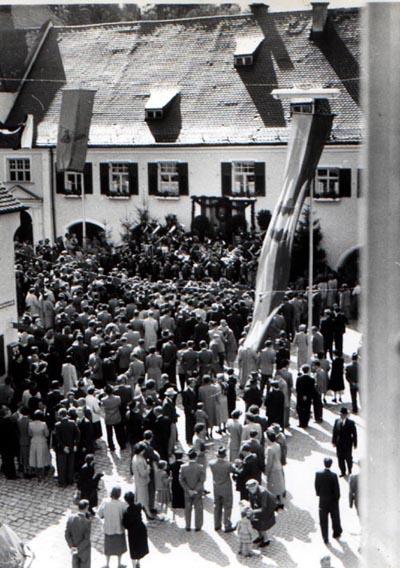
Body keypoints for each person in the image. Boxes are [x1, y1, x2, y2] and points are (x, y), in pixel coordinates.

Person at [97, 486, 128, 568]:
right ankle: (119, 564)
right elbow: (127, 514)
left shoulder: (105, 502)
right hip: (119, 529)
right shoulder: (122, 504)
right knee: (119, 548)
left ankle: (107, 564)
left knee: (108, 548)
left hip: (108, 529)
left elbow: (99, 514)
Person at [315, 457, 342, 544]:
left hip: (323, 501)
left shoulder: (318, 474)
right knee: (335, 518)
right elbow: (337, 490)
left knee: (323, 520)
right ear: (331, 464)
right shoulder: (334, 475)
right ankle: (336, 533)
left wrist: (319, 494)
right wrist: (336, 499)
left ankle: (325, 538)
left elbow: (316, 486)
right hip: (332, 501)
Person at [209, 446, 236, 533]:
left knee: (217, 506)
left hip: (216, 487)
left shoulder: (211, 463)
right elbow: (235, 470)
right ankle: (227, 525)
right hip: (226, 488)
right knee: (227, 507)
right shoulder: (228, 465)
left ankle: (217, 525)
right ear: (225, 455)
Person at [179, 448, 205, 531]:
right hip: (197, 492)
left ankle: (188, 526)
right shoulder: (200, 467)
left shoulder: (183, 467)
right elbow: (202, 480)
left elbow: (181, 480)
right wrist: (195, 490)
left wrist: (188, 490)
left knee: (187, 509)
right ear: (196, 457)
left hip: (187, 492)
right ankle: (198, 526)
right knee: (198, 509)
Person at [53, 407, 80, 487]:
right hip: (71, 447)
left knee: (62, 466)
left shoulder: (57, 425)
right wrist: (75, 444)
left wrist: (64, 446)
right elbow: (78, 434)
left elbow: (57, 438)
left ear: (60, 415)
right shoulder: (72, 423)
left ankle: (62, 482)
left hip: (61, 449)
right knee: (70, 464)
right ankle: (70, 480)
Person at [246, 479, 277, 548]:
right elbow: (251, 500)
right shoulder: (251, 491)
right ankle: (260, 537)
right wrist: (251, 509)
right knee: (256, 521)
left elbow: (264, 508)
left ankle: (266, 540)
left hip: (267, 508)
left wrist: (253, 511)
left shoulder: (263, 492)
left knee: (262, 524)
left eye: (252, 488)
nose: (251, 490)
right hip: (259, 507)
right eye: (250, 488)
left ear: (256, 486)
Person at [122, 491, 149, 568]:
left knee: (133, 549)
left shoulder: (126, 511)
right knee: (140, 547)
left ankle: (134, 566)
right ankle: (138, 562)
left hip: (133, 532)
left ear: (126, 501)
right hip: (141, 529)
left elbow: (125, 525)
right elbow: (143, 507)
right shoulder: (138, 506)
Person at [65, 499, 92, 568]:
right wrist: (78, 549)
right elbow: (86, 539)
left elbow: (67, 535)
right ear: (86, 508)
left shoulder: (71, 518)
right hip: (84, 551)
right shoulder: (87, 522)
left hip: (74, 549)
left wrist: (72, 547)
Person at [332, 407, 357, 477]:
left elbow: (354, 434)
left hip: (348, 444)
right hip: (339, 444)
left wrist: (355, 444)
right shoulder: (337, 421)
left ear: (346, 415)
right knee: (340, 458)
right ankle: (343, 472)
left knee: (348, 458)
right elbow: (334, 432)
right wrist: (334, 442)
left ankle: (350, 470)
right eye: (340, 414)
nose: (341, 416)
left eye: (342, 414)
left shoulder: (351, 423)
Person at [28, 409, 51, 481]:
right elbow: (47, 434)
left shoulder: (30, 424)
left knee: (34, 457)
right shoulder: (44, 424)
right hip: (42, 441)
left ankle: (37, 474)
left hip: (34, 441)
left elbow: (30, 434)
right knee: (42, 457)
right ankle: (42, 475)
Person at [265, 430, 285, 509]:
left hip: (273, 469)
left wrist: (267, 473)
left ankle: (274, 504)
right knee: (279, 486)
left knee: (273, 487)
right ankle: (281, 502)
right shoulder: (277, 445)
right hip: (278, 466)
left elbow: (269, 462)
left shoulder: (269, 449)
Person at [131, 443, 152, 518]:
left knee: (139, 496)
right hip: (142, 482)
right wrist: (148, 468)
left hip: (138, 480)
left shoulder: (135, 457)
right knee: (144, 498)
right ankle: (148, 514)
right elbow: (143, 473)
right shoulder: (139, 461)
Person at [170, 449, 186, 517]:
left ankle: (175, 504)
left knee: (175, 493)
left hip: (174, 482)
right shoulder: (184, 465)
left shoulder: (172, 465)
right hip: (182, 481)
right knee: (182, 493)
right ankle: (182, 504)